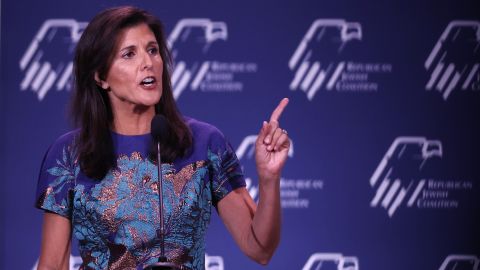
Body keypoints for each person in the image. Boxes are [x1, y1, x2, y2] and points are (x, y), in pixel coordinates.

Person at [35, 6, 290, 270]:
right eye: (129, 54)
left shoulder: (204, 143)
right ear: (101, 77)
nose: (148, 62)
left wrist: (269, 179)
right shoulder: (68, 154)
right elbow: (52, 265)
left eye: (153, 50)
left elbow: (260, 248)